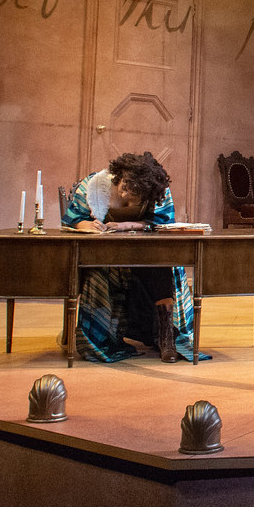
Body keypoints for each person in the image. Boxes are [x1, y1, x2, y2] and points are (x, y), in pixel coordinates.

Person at [61, 151, 198, 362]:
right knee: (98, 274)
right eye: (124, 186)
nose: (125, 195)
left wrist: (128, 225)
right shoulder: (95, 185)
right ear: (119, 176)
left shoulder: (157, 192)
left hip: (144, 253)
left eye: (134, 194)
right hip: (105, 257)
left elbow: (163, 222)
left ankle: (166, 338)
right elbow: (72, 218)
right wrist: (84, 224)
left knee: (162, 265)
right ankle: (104, 337)